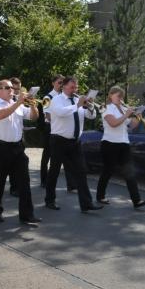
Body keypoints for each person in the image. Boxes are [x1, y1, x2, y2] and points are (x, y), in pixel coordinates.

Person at [0, 79, 41, 226]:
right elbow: (0, 115)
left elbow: (33, 117)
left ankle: (27, 215)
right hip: (0, 147)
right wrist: (18, 103)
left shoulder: (18, 104)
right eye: (7, 88)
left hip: (17, 147)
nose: (11, 90)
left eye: (12, 88)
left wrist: (33, 105)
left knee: (24, 181)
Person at [46, 76, 102, 213]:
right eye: (72, 87)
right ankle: (49, 200)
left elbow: (91, 116)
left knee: (81, 172)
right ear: (64, 86)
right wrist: (77, 105)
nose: (75, 90)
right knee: (54, 171)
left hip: (75, 142)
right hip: (59, 140)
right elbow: (61, 113)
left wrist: (90, 107)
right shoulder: (56, 100)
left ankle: (86, 203)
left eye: (76, 87)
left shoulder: (78, 100)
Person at [96, 86, 145, 209]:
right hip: (109, 143)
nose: (121, 98)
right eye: (118, 96)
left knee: (130, 172)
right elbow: (113, 123)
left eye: (122, 96)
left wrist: (138, 116)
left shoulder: (123, 109)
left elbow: (132, 126)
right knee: (107, 171)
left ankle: (137, 200)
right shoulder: (105, 108)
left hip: (124, 143)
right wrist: (126, 114)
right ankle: (100, 195)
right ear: (111, 95)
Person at [40, 74, 76, 191]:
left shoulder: (65, 97)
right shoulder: (47, 97)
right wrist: (57, 120)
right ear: (53, 83)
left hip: (62, 129)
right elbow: (47, 114)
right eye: (59, 82)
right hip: (50, 127)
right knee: (47, 155)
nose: (61, 85)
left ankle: (71, 184)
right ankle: (44, 180)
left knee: (67, 158)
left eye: (62, 83)